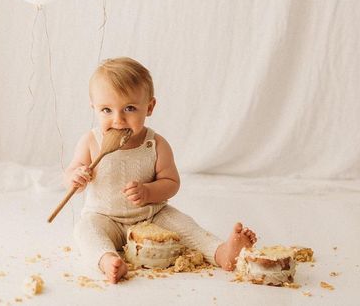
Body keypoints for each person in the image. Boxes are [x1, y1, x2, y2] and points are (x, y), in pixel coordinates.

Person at [65, 57, 257, 284]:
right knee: (85, 230)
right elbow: (71, 174)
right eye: (106, 110)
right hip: (104, 217)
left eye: (129, 108)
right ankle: (108, 260)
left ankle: (221, 252)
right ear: (93, 108)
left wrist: (148, 192)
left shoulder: (155, 144)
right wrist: (75, 177)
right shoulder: (90, 141)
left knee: (187, 227)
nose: (118, 119)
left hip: (152, 215)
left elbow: (171, 182)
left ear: (149, 107)